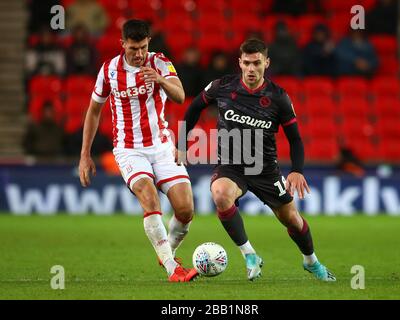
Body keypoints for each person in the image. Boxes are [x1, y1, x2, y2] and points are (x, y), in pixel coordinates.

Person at [177, 38, 336, 282]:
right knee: (220, 194)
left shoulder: (278, 97)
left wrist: (297, 170)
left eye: (257, 63)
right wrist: (180, 144)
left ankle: (311, 261)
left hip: (265, 169)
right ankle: (250, 255)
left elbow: (295, 139)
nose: (252, 69)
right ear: (239, 62)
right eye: (247, 63)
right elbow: (194, 108)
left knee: (292, 219)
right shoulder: (222, 86)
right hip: (231, 165)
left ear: (266, 63)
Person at [78, 19, 198, 282]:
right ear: (123, 44)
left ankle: (167, 251)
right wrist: (85, 155)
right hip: (129, 149)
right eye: (133, 48)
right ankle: (172, 268)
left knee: (186, 209)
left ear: (149, 43)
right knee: (149, 195)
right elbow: (94, 111)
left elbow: (179, 95)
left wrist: (160, 80)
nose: (139, 54)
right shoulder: (109, 70)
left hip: (162, 146)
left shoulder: (160, 62)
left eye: (143, 47)